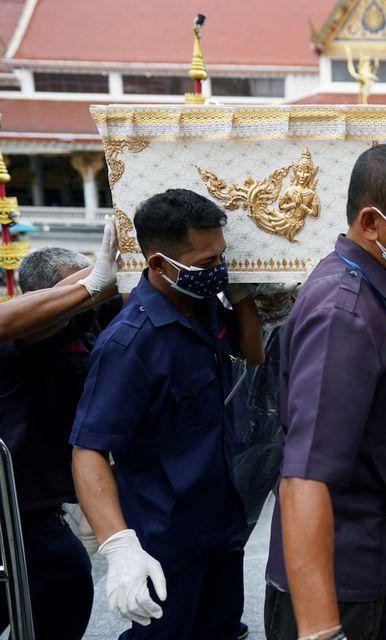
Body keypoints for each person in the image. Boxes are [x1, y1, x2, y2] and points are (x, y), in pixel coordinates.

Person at [264, 143, 386, 640]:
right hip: (343, 569)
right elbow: (304, 477)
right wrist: (321, 630)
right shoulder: (342, 317)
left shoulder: (381, 285)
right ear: (371, 221)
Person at [70, 189, 265, 639]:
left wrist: (241, 295)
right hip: (164, 540)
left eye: (221, 255)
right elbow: (88, 450)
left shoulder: (200, 304)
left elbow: (252, 354)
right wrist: (119, 546)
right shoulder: (129, 344)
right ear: (158, 264)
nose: (216, 267)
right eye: (204, 262)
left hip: (218, 524)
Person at [0, 241, 120, 639]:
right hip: (15, 502)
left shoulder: (87, 323)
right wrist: (92, 282)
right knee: (65, 575)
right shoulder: (26, 327)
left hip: (47, 497)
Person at [0, 218, 118, 342]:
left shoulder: (94, 319)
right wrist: (90, 284)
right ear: (34, 293)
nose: (85, 303)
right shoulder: (28, 336)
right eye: (72, 286)